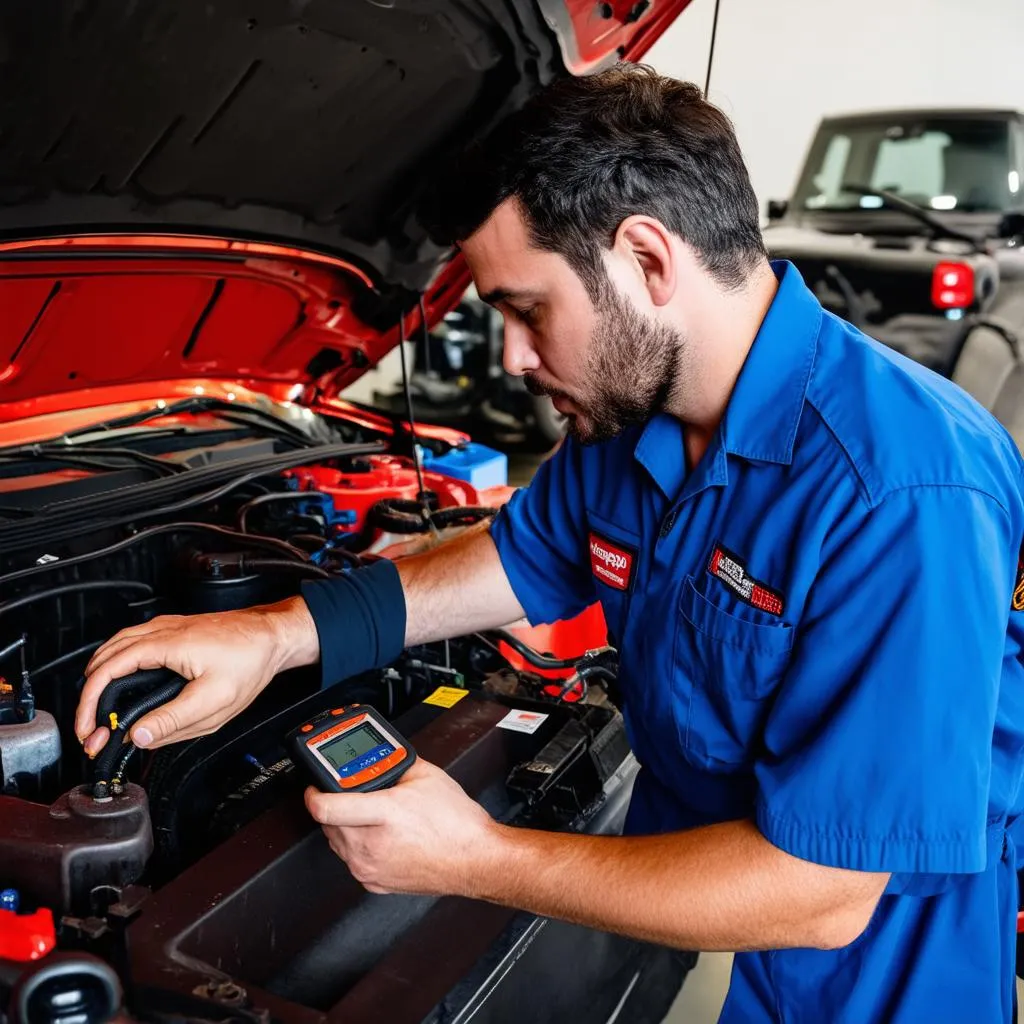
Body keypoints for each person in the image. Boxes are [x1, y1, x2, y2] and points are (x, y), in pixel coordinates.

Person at [76, 66, 1024, 1023]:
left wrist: (479, 859)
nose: (518, 360)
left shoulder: (904, 489)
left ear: (649, 260)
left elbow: (822, 895)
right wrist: (279, 633)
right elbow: (514, 558)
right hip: (719, 888)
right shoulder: (624, 424)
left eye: (527, 310)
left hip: (885, 957)